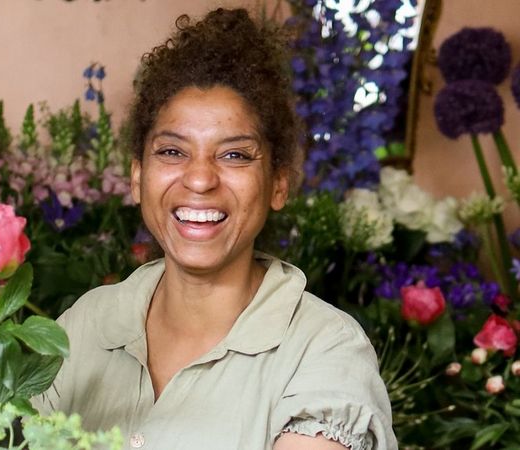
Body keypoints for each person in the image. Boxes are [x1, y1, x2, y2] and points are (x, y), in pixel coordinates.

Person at [32, 8, 397, 450]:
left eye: (235, 155)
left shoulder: (324, 350)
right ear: (136, 178)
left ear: (279, 184)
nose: (200, 179)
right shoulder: (88, 323)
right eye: (171, 151)